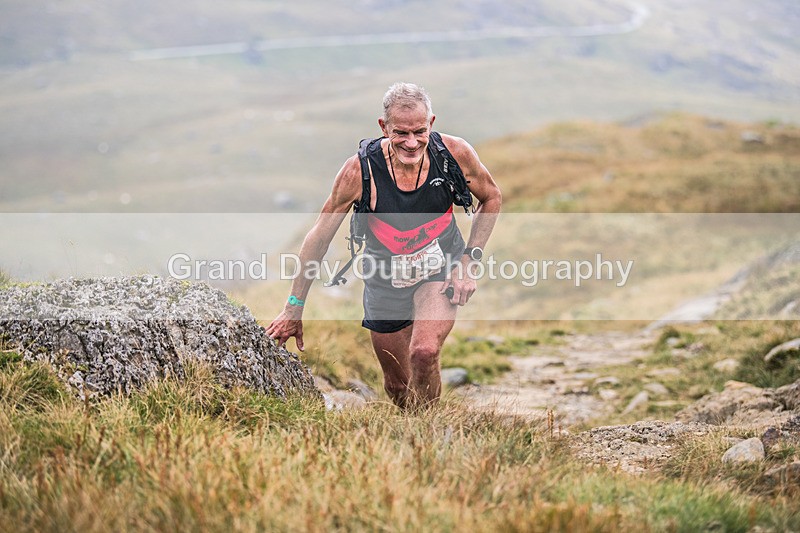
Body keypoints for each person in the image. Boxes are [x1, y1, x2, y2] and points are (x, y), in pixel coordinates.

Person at [267, 82, 502, 409]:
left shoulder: (454, 154)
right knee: (397, 385)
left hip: (440, 269)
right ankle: (413, 422)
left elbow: (491, 197)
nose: (411, 142)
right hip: (384, 279)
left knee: (424, 352)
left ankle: (430, 432)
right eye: (400, 133)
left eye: (420, 131)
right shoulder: (359, 170)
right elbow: (318, 238)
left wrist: (468, 261)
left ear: (431, 123)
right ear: (383, 127)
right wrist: (294, 307)